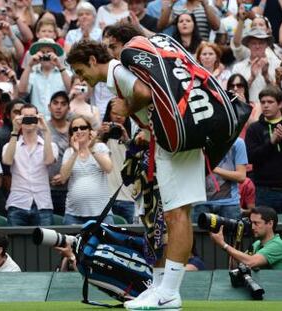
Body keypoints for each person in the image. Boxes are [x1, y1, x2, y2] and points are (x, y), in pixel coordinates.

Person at [67, 40, 206, 311]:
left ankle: (170, 293)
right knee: (170, 217)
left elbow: (144, 91)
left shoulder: (117, 72)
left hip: (179, 142)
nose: (80, 77)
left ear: (93, 61)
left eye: (80, 70)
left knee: (178, 215)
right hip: (169, 142)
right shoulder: (116, 75)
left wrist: (127, 109)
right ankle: (160, 288)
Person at [2, 103, 58, 226]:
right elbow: (7, 161)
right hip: (17, 203)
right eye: (25, 117)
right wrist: (15, 131)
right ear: (19, 119)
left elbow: (49, 161)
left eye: (32, 116)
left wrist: (46, 131)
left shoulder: (49, 145)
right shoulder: (11, 145)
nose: (29, 120)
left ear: (38, 118)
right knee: (15, 244)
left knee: (46, 243)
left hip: (42, 203)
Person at [60, 116, 114, 225]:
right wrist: (75, 152)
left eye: (83, 127)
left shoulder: (100, 147)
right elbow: (63, 178)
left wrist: (91, 148)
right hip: (73, 215)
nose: (79, 131)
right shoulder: (69, 152)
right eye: (75, 129)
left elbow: (108, 168)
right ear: (71, 133)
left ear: (90, 130)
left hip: (102, 214)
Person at [192, 137, 248, 222]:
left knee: (231, 235)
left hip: (229, 204)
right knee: (200, 235)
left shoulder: (237, 143)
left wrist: (214, 168)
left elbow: (241, 176)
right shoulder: (196, 142)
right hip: (200, 203)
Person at [245, 86, 282, 213]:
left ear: (280, 104)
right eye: (263, 102)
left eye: (270, 102)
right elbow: (250, 157)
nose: (266, 105)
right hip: (263, 190)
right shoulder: (254, 129)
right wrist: (271, 142)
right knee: (264, 231)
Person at [210, 206, 282, 270]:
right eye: (251, 223)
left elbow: (250, 262)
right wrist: (238, 239)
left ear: (270, 223)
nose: (252, 227)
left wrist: (223, 244)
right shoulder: (257, 244)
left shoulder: (278, 245)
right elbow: (235, 266)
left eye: (256, 223)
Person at [99, 98, 135, 224]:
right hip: (106, 197)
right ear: (108, 113)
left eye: (122, 114)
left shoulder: (132, 137)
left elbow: (137, 158)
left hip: (128, 198)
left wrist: (126, 139)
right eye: (115, 113)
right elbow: (92, 153)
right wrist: (101, 134)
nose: (119, 117)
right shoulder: (100, 138)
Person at [18, 38, 71, 119]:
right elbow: (21, 91)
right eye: (42, 52)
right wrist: (29, 65)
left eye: (49, 52)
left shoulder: (64, 72)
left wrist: (59, 65)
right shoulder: (32, 74)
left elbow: (71, 89)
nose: (46, 55)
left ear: (55, 54)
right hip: (38, 121)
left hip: (60, 120)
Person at [47, 91, 70, 216]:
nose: (59, 107)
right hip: (46, 190)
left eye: (63, 103)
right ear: (49, 106)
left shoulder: (76, 128)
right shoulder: (42, 128)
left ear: (68, 108)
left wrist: (66, 174)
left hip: (70, 190)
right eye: (55, 103)